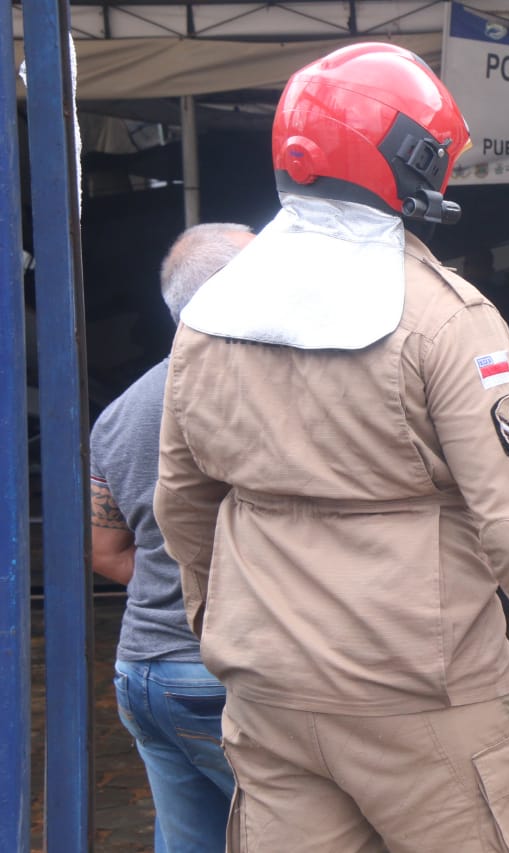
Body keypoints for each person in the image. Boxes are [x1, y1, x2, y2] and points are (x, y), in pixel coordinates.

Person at [153, 43, 509, 853]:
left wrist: (228, 630)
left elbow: (181, 501)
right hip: (425, 693)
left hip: (269, 699)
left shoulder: (211, 314)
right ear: (410, 163)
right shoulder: (448, 318)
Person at [89, 222, 253, 853]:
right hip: (220, 672)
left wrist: (175, 576)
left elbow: (105, 554)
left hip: (143, 676)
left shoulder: (120, 412)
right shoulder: (249, 395)